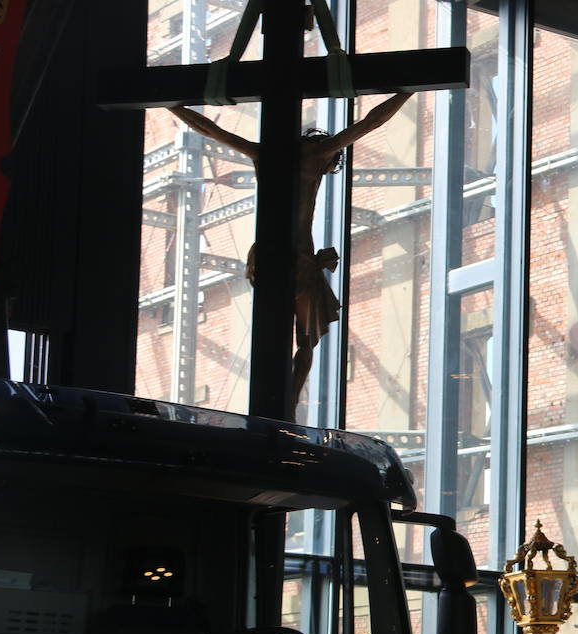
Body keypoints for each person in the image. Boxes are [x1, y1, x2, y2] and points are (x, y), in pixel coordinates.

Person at [167, 92, 412, 405]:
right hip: (299, 258)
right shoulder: (318, 156)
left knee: (283, 333)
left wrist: (173, 106)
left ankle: (283, 402)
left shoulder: (263, 155)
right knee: (304, 339)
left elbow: (210, 130)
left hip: (266, 255)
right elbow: (371, 122)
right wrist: (407, 91)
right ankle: (290, 403)